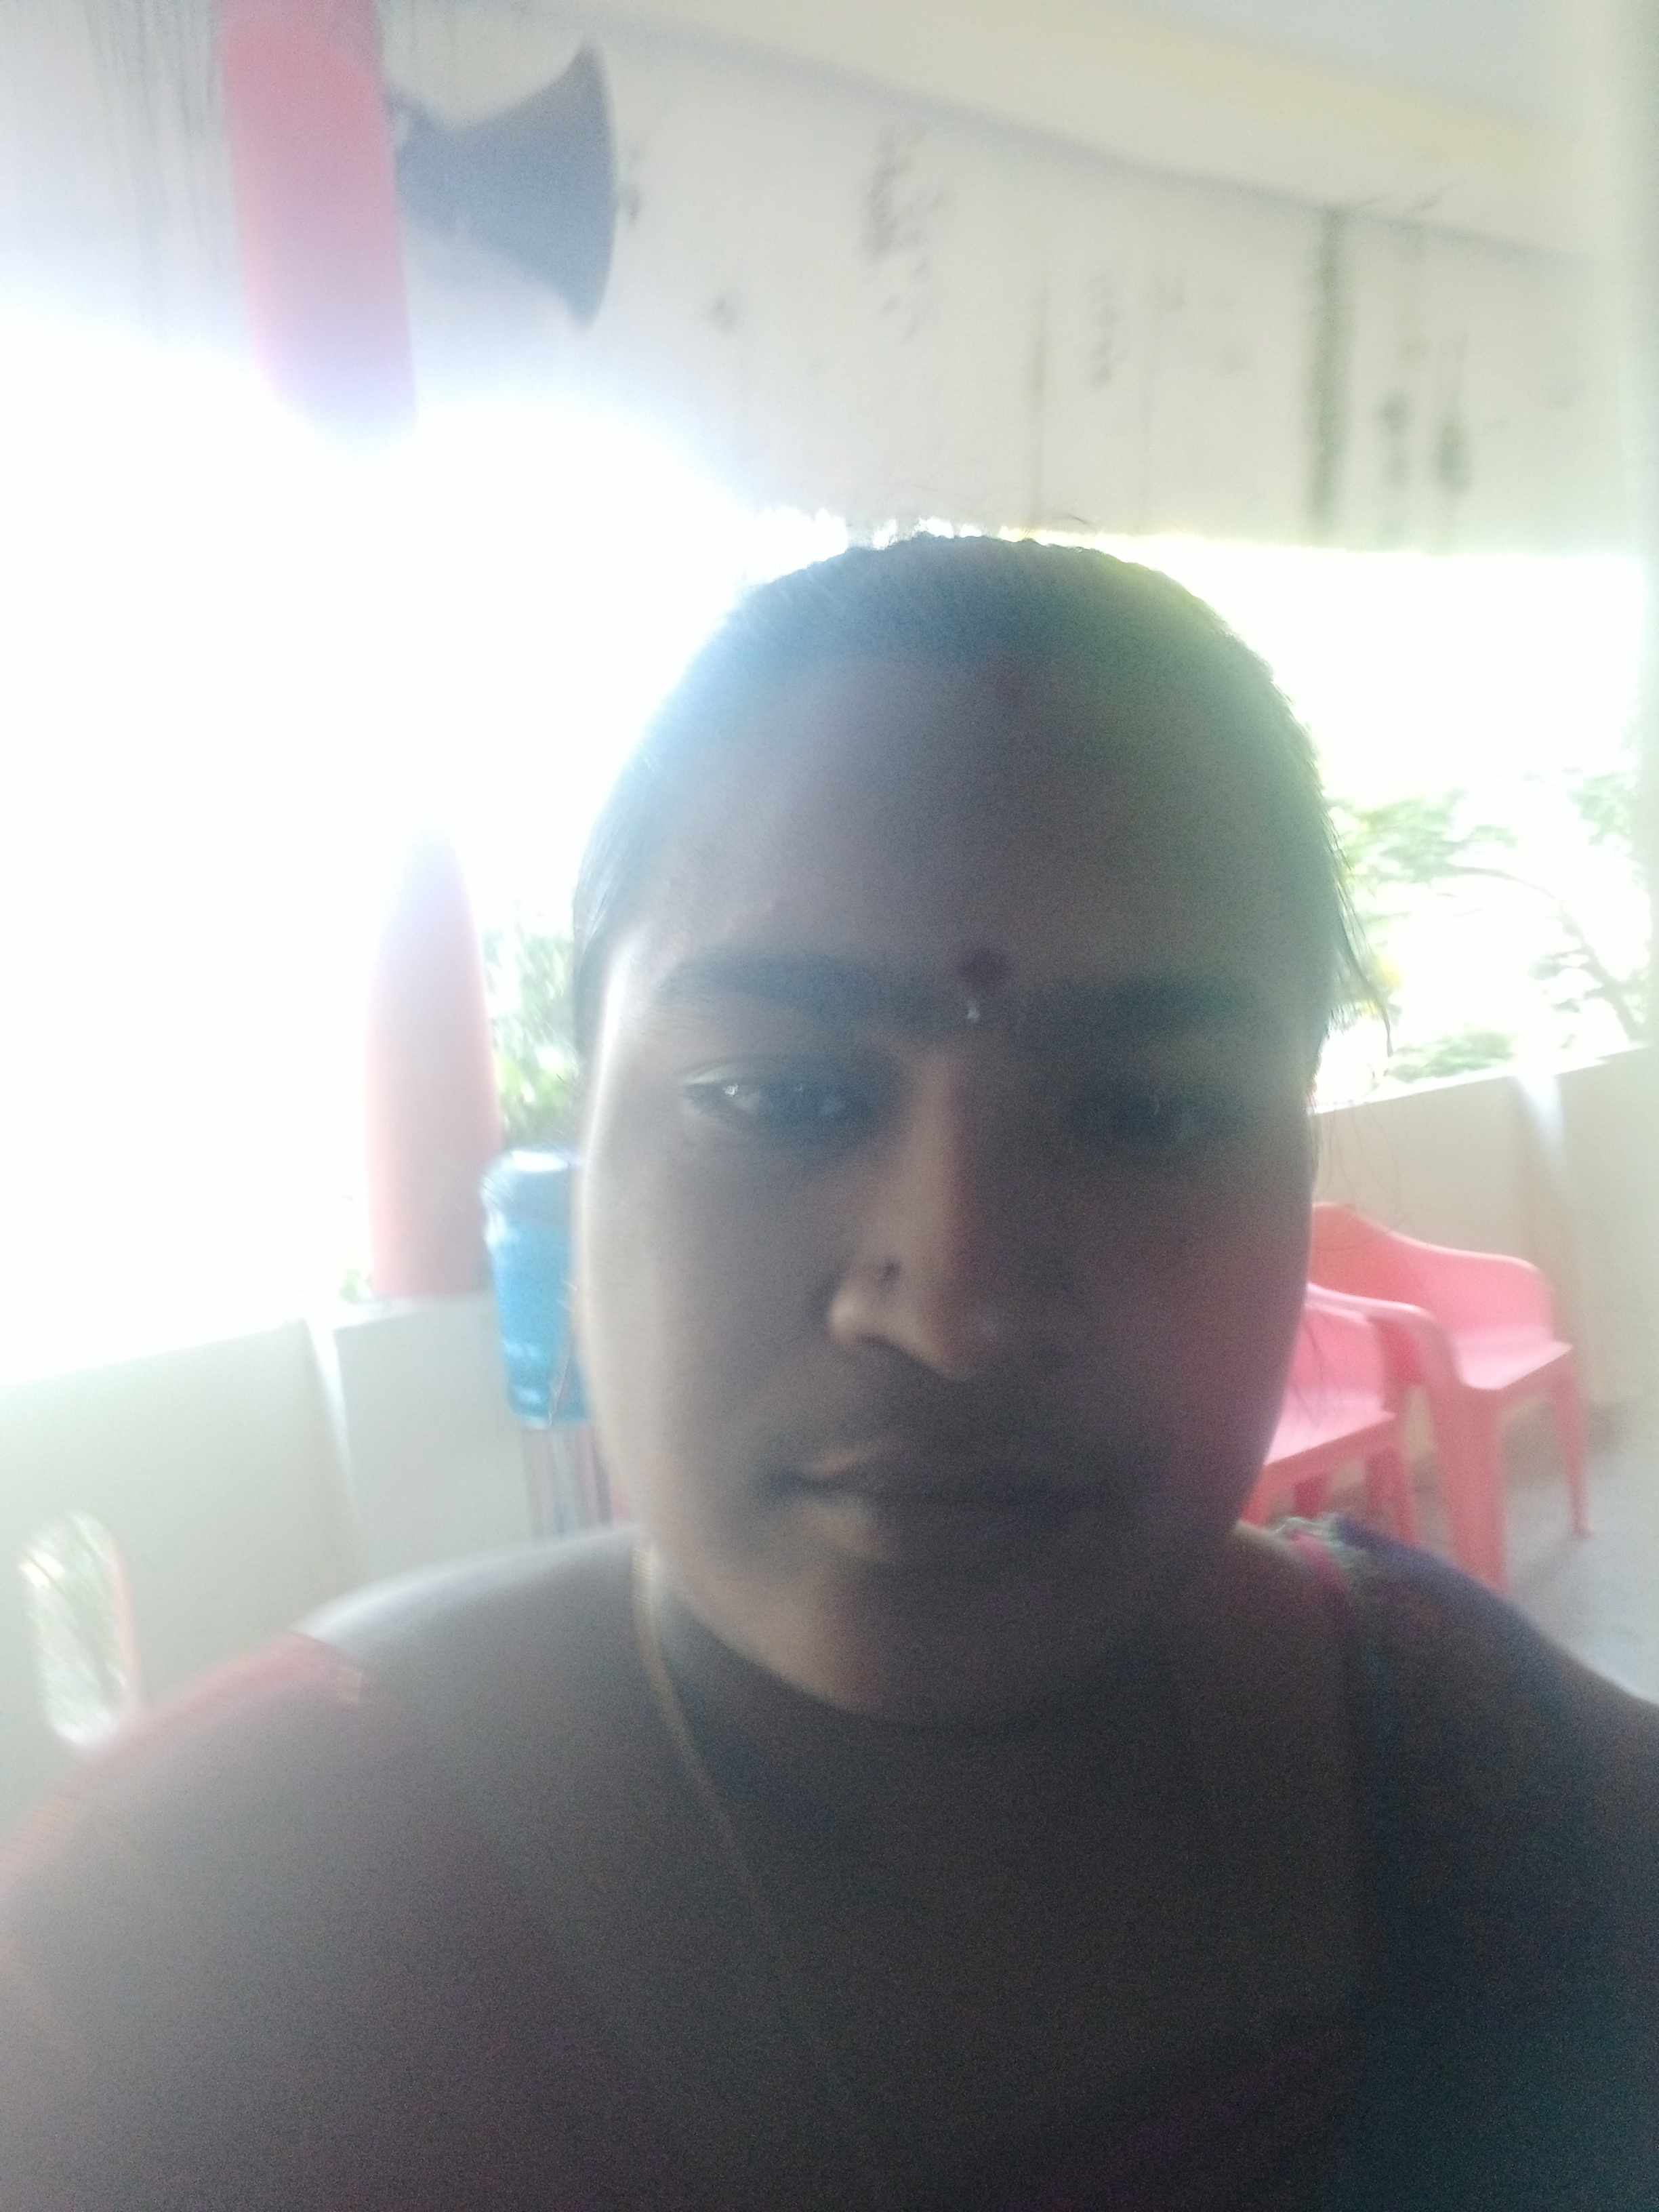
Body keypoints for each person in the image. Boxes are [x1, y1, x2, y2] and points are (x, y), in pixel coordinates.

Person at [2, 536, 1656, 2209]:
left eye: (1147, 1113)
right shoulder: (173, 1975)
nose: (952, 1310)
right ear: (580, 1150)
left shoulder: (1483, 1790)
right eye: (778, 1097)